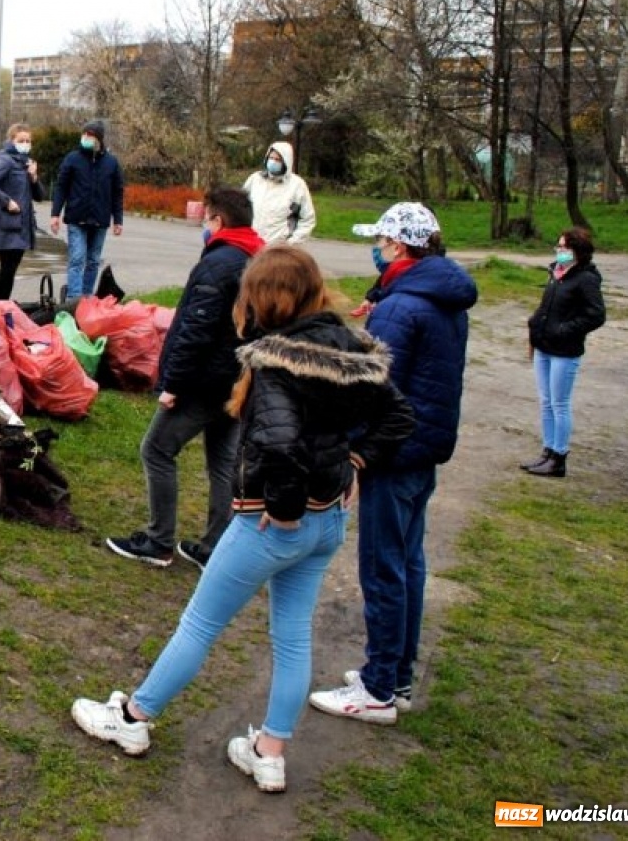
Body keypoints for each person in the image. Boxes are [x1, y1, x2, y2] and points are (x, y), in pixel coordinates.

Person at [71, 246, 413, 793]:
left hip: (273, 524)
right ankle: (269, 752)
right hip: (326, 523)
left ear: (265, 297)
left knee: (200, 624)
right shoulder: (351, 347)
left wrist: (283, 511)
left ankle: (132, 719)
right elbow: (398, 413)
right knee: (293, 636)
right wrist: (353, 461)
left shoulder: (276, 362)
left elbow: (278, 446)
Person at [309, 202, 477, 725]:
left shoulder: (404, 308)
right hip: (423, 448)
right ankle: (397, 675)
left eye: (381, 242)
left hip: (392, 452)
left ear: (400, 247)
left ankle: (378, 688)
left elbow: (374, 386)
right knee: (408, 563)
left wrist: (355, 452)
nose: (376, 250)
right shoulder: (439, 296)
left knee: (382, 568)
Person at [105, 186, 265, 570]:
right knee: (223, 461)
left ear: (218, 220)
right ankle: (217, 546)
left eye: (205, 218)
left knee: (157, 449)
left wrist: (173, 383)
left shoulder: (218, 264)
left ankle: (159, 541)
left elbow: (197, 329)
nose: (202, 226)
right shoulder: (260, 258)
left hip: (204, 380)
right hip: (238, 378)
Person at [519, 227, 605, 478]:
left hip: (565, 350)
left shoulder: (586, 279)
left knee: (560, 403)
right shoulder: (556, 273)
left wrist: (564, 330)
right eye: (558, 246)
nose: (560, 251)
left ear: (578, 251)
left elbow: (596, 315)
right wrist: (536, 323)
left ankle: (559, 456)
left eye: (565, 248)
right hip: (543, 346)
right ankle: (547, 451)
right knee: (546, 401)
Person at [50, 119, 124, 304]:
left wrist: (118, 220)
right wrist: (55, 214)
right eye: (85, 134)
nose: (86, 138)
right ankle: (74, 300)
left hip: (100, 220)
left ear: (99, 139)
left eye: (90, 135)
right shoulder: (73, 159)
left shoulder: (111, 163)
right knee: (77, 258)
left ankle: (87, 297)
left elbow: (117, 192)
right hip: (77, 218)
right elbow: (61, 188)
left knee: (93, 261)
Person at [0, 124, 44, 301]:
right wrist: (7, 202)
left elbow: (39, 196)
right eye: (21, 140)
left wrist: (34, 177)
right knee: (7, 270)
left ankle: (0, 306)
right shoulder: (6, 160)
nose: (25, 144)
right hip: (8, 225)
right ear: (11, 141)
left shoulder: (26, 164)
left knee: (10, 271)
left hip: (23, 226)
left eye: (28, 141)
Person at [243, 141, 316, 245]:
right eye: (271, 158)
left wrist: (291, 243)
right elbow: (240, 208)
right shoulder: (255, 179)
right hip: (251, 244)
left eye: (277, 160)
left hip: (278, 249)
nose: (273, 162)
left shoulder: (297, 185)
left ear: (286, 162)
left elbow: (307, 219)